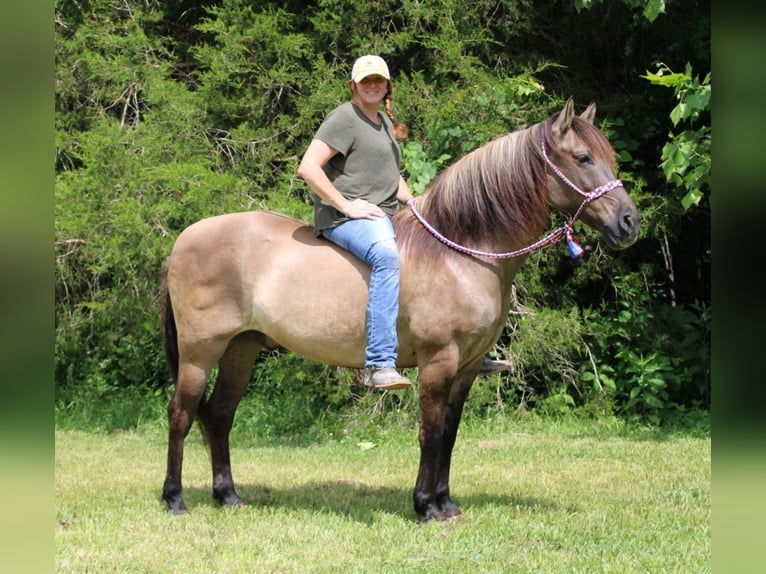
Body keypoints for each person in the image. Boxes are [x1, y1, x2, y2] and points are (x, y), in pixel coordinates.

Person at [298, 55, 511, 390]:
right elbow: (308, 167)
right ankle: (379, 363)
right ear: (353, 85)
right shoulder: (343, 118)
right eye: (365, 80)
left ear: (387, 87)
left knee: (440, 249)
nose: (372, 85)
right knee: (386, 256)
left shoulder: (382, 121)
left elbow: (390, 176)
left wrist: (415, 204)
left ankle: (469, 347)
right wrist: (345, 205)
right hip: (344, 218)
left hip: (384, 214)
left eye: (378, 80)